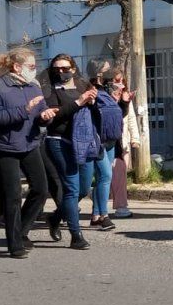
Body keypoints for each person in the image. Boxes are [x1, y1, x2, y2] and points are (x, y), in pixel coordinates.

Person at [0, 47, 54, 258]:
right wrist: (24, 110)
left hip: (30, 143)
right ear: (16, 67)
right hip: (5, 147)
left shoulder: (34, 86)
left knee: (41, 189)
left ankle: (22, 230)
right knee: (13, 196)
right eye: (31, 67)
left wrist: (46, 116)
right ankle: (15, 244)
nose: (34, 70)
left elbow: (40, 113)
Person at [40, 54, 96, 250]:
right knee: (71, 189)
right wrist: (79, 102)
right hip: (59, 141)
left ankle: (55, 217)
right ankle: (76, 235)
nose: (61, 72)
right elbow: (54, 118)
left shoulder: (83, 84)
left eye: (65, 68)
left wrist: (95, 101)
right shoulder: (49, 89)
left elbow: (96, 113)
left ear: (73, 68)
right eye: (56, 69)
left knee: (83, 188)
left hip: (84, 141)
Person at [84, 59, 121, 231]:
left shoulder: (107, 90)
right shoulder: (90, 91)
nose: (111, 72)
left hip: (110, 141)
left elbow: (115, 117)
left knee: (103, 178)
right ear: (98, 73)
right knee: (105, 176)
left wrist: (122, 102)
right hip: (97, 141)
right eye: (107, 70)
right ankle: (104, 215)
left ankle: (96, 215)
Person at [109, 70, 140, 219]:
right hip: (107, 144)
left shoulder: (126, 96)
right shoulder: (104, 97)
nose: (119, 84)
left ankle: (121, 206)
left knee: (120, 176)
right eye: (116, 81)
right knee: (106, 178)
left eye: (121, 81)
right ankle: (98, 207)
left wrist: (135, 138)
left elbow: (131, 119)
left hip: (123, 143)